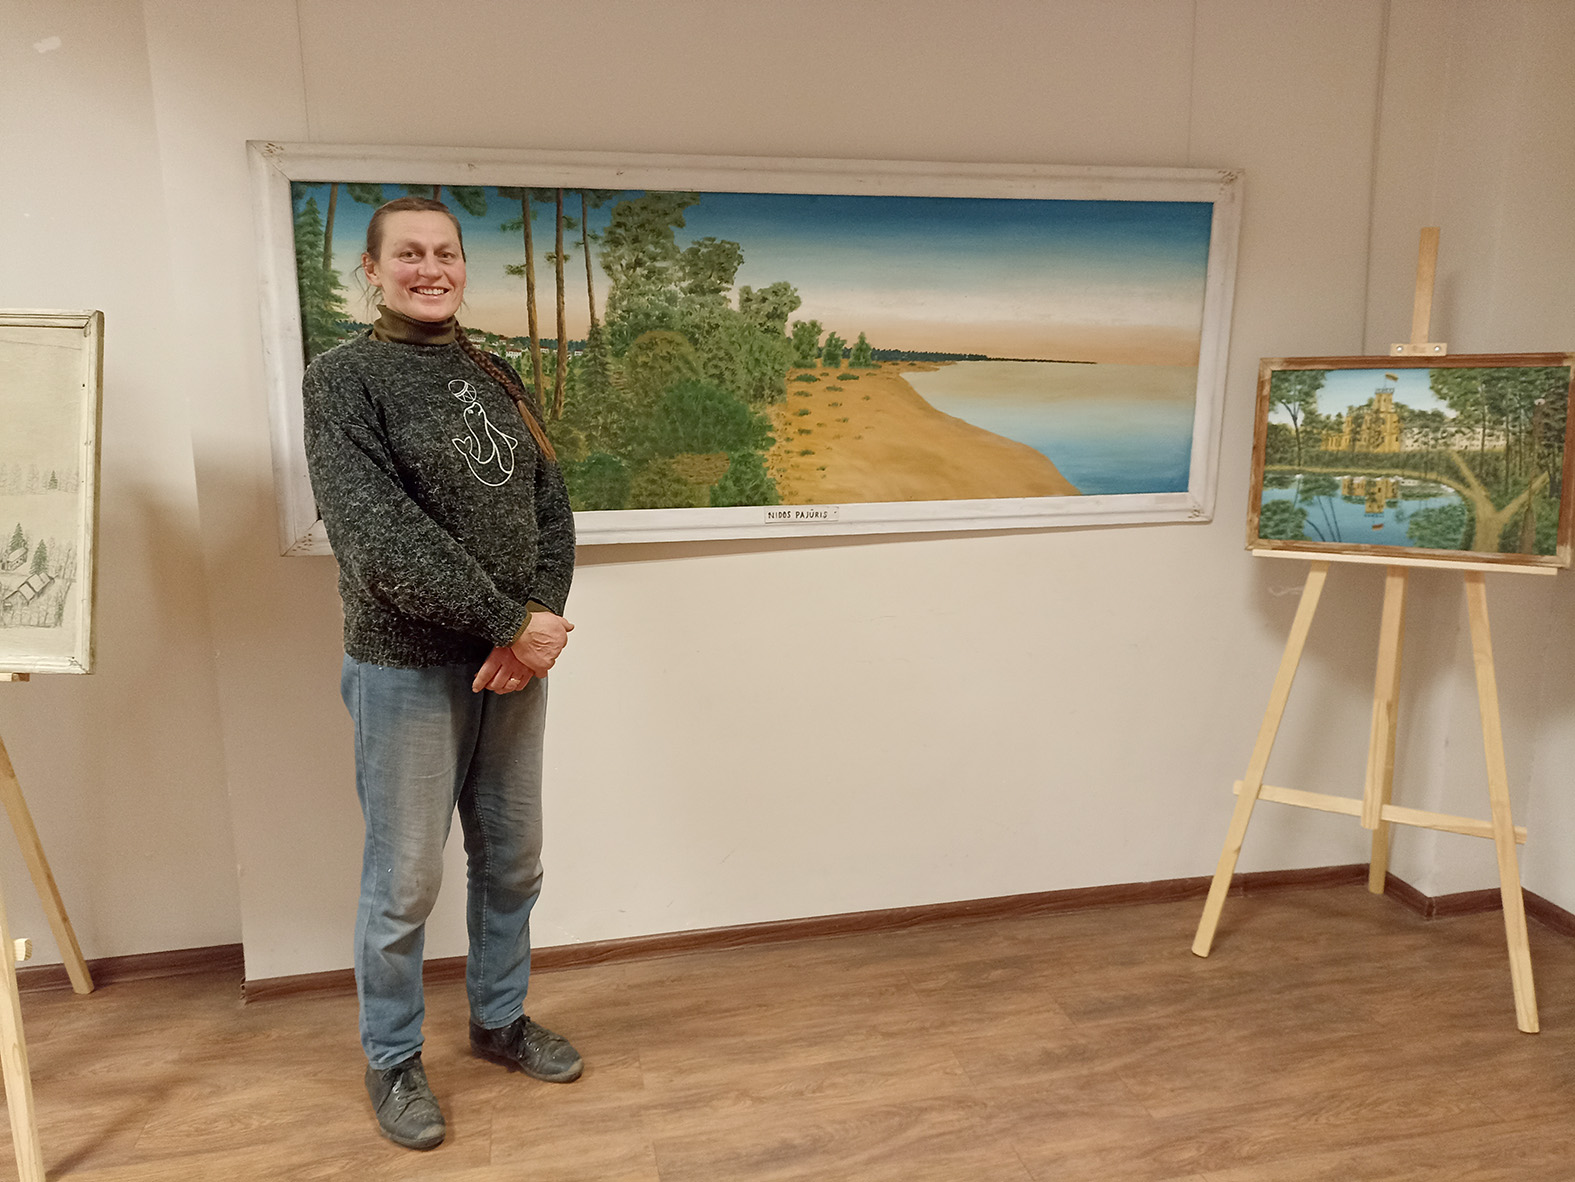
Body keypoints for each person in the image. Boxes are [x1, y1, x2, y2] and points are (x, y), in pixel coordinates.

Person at [302, 196, 581, 1151]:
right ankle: (392, 1057)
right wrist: (509, 622)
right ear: (372, 271)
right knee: (405, 884)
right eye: (409, 254)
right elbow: (378, 539)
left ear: (464, 266)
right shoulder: (343, 380)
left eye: (446, 252)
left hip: (513, 668)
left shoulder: (492, 370)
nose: (431, 269)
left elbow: (551, 506)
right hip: (406, 669)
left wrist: (531, 625)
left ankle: (499, 1020)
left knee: (512, 861)